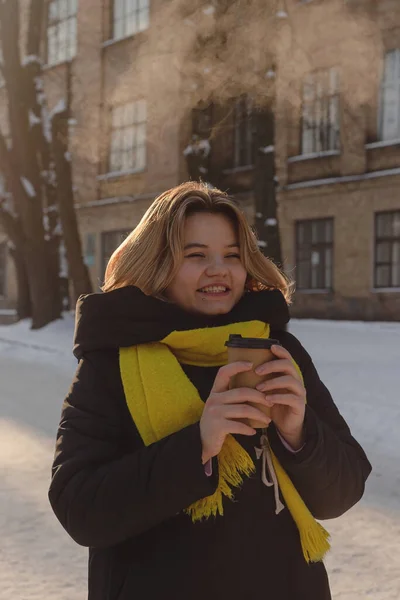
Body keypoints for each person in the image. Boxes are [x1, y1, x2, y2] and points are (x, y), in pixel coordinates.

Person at [49, 181, 371, 600]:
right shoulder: (112, 364)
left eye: (232, 255)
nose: (218, 269)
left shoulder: (275, 349)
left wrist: (300, 435)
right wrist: (197, 444)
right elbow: (80, 508)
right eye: (196, 255)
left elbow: (343, 491)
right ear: (158, 265)